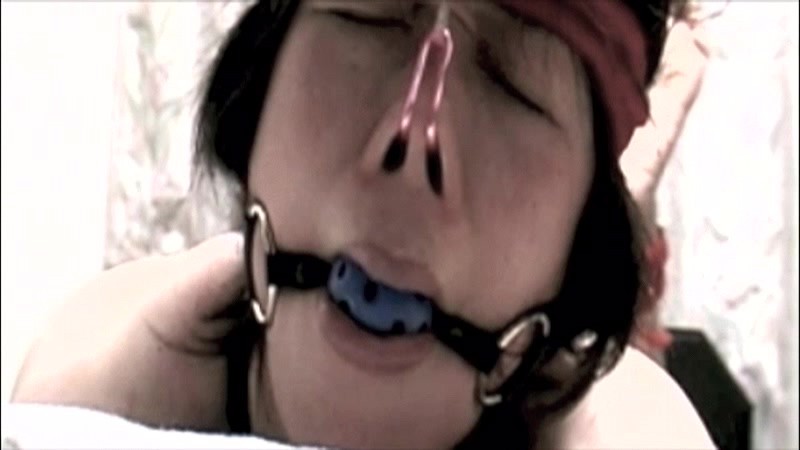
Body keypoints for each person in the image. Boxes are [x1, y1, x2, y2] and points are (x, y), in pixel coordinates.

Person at [10, 1, 715, 449]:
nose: (411, 144)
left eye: (514, 89)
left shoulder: (632, 432)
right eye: (366, 20)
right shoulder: (94, 386)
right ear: (254, 100)